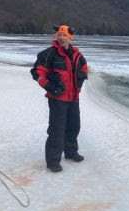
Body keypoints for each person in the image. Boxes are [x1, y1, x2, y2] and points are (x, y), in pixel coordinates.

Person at [31, 24, 88, 172]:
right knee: (57, 129)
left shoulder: (77, 55)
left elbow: (84, 70)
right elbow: (37, 72)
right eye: (59, 35)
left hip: (73, 97)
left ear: (70, 38)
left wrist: (80, 83)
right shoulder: (48, 54)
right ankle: (53, 161)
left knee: (74, 126)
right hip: (57, 98)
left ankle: (71, 152)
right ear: (56, 37)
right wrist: (50, 86)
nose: (62, 38)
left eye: (65, 36)